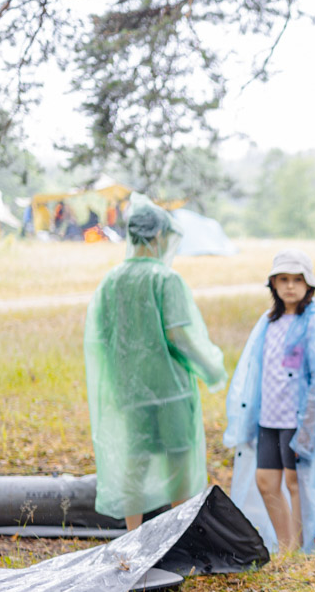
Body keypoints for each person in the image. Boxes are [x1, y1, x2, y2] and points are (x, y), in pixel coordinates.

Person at [84, 193, 227, 530]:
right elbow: (179, 336)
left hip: (130, 391)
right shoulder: (166, 280)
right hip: (170, 391)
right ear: (160, 235)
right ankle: (177, 536)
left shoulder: (111, 281)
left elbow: (101, 339)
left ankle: (134, 538)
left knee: (135, 464)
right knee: (179, 462)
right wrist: (211, 369)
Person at [223, 250, 315, 554]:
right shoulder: (269, 322)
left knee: (297, 485)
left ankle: (298, 549)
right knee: (266, 481)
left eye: (297, 279)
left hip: (297, 421)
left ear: (309, 285)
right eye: (284, 279)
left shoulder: (314, 323)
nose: (290, 286)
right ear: (273, 284)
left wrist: (309, 425)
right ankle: (285, 545)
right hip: (269, 418)